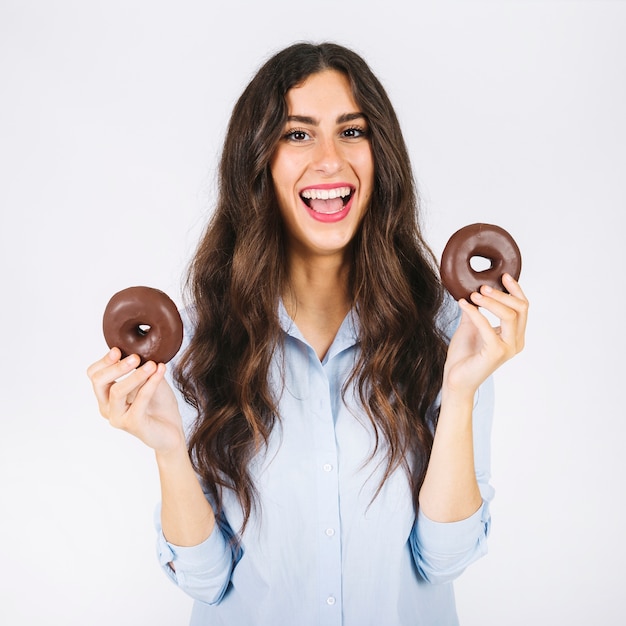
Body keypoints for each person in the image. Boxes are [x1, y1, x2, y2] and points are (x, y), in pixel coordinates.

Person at [87, 42, 528, 626]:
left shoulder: (450, 332)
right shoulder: (195, 342)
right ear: (259, 161)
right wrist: (169, 450)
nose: (328, 160)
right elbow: (207, 580)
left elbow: (444, 561)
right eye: (297, 135)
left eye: (352, 131)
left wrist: (464, 391)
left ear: (380, 156)